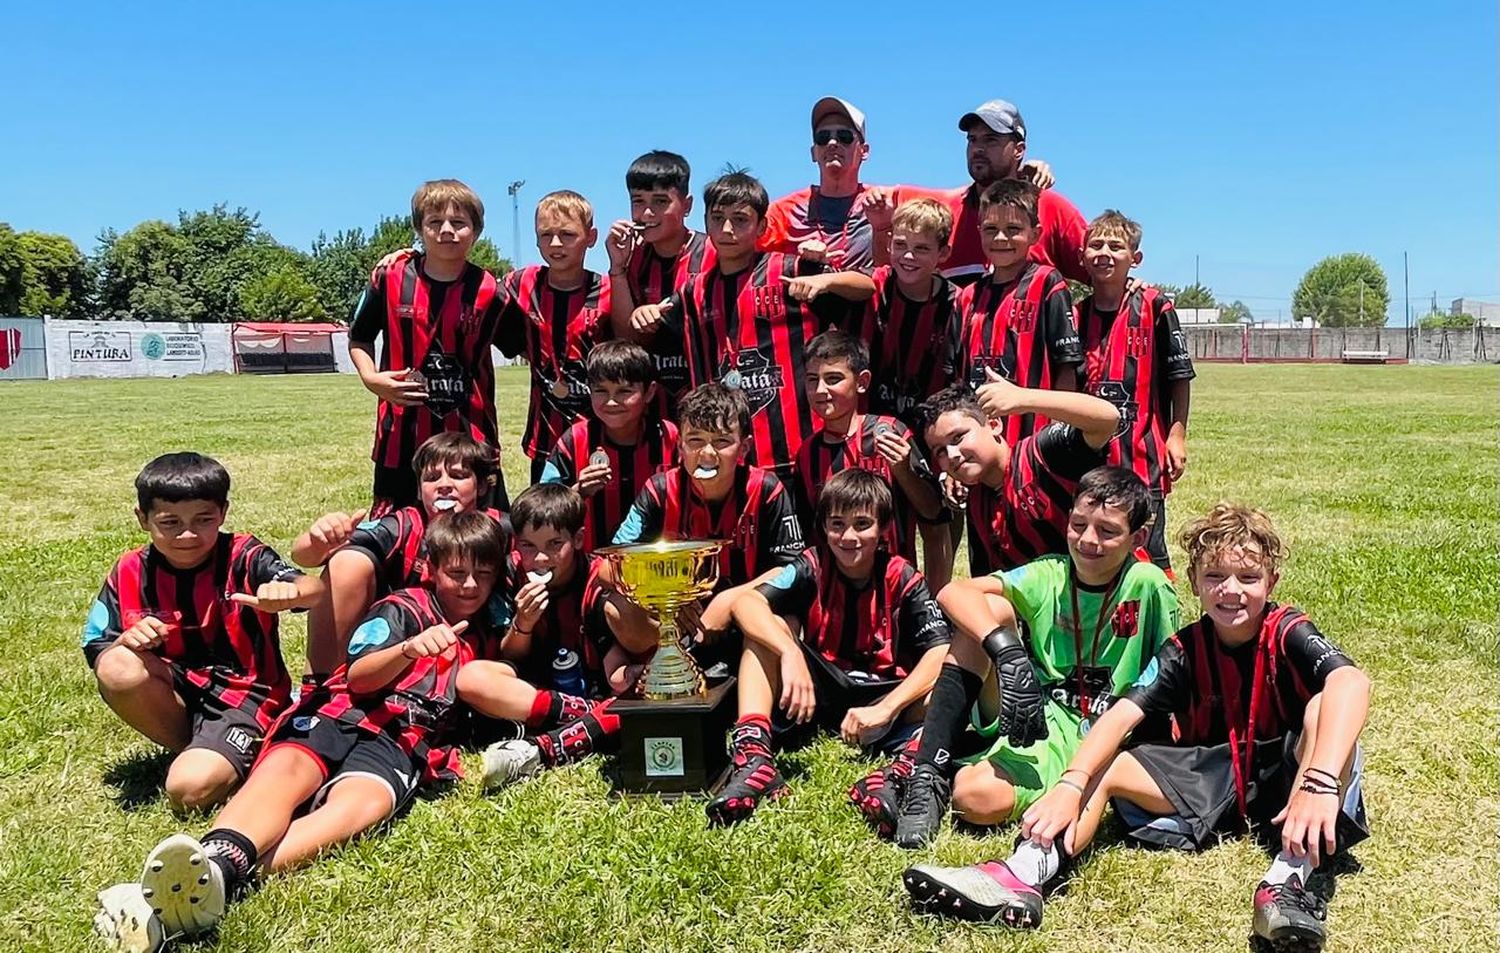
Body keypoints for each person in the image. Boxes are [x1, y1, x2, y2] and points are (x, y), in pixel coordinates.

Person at [903, 504, 1371, 953]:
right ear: (1193, 583)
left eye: (1248, 578)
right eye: (1214, 577)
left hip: (1296, 778)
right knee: (1111, 765)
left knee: (1323, 708)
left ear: (1273, 581)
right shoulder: (1185, 649)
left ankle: (1284, 887)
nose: (1231, 591)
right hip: (1218, 773)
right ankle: (1024, 873)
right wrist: (1071, 782)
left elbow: (1351, 681)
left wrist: (1318, 782)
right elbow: (1122, 715)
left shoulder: (1288, 630)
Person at [92, 512, 508, 952]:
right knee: (286, 773)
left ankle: (214, 877)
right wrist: (407, 650)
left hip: (400, 739)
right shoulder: (403, 607)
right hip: (336, 710)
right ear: (431, 568)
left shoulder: (489, 627)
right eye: (457, 573)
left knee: (361, 805)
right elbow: (360, 677)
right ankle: (211, 867)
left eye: (483, 575)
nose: (469, 586)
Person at [891, 466, 1178, 851]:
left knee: (976, 796)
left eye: (1108, 531)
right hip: (1035, 715)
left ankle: (969, 767)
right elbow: (952, 592)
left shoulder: (1147, 583)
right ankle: (929, 774)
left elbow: (1173, 667)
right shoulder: (1051, 573)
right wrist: (1007, 651)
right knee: (988, 609)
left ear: (1138, 537)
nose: (1088, 540)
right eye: (1079, 525)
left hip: (1110, 728)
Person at [706, 469, 951, 826]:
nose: (848, 536)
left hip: (883, 697)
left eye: (862, 524)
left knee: (945, 690)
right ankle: (755, 756)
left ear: (883, 529)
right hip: (823, 691)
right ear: (823, 527)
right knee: (766, 630)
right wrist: (790, 652)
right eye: (837, 524)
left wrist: (886, 708)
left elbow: (939, 651)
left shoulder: (903, 577)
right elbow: (745, 604)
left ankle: (895, 777)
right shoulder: (812, 563)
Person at [81, 452, 322, 814]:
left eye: (203, 519)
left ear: (223, 513)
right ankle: (199, 747)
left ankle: (234, 746)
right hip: (177, 686)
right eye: (170, 522)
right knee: (116, 665)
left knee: (188, 792)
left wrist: (290, 592)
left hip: (245, 695)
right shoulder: (129, 570)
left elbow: (313, 590)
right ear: (142, 519)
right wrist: (126, 640)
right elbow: (96, 643)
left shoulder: (243, 555)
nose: (188, 534)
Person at [628, 170, 875, 477]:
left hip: (799, 455)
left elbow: (866, 286)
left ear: (761, 226)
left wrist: (826, 280)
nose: (727, 229)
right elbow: (653, 327)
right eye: (717, 218)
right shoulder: (693, 292)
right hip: (729, 460)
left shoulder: (790, 270)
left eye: (740, 219)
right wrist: (644, 314)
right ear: (705, 221)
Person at [457, 484, 655, 787]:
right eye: (528, 546)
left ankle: (545, 747)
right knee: (471, 678)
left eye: (554, 544)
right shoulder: (510, 574)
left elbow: (624, 660)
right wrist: (523, 623)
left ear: (577, 539)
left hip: (601, 685)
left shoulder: (598, 578)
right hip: (540, 692)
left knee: (637, 685)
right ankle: (597, 719)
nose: (540, 558)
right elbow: (510, 656)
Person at [347, 179, 506, 516]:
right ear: (419, 228)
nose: (446, 231)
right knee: (397, 533)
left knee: (483, 537)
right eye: (435, 223)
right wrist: (371, 378)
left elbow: (525, 343)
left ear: (476, 231)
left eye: (459, 223)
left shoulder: (492, 290)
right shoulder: (389, 277)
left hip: (472, 437)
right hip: (400, 438)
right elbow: (359, 336)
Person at [292, 432, 506, 677]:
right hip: (398, 641)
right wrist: (319, 540)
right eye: (432, 478)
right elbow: (303, 557)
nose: (444, 485)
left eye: (458, 476)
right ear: (419, 490)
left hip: (483, 650)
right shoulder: (403, 526)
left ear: (480, 486)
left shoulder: (499, 529)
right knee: (346, 562)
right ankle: (323, 683)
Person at [1074, 210, 1196, 571]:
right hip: (1092, 459)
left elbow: (1179, 376)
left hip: (1144, 456)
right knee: (1097, 545)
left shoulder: (1156, 307)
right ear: (1082, 256)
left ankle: (1158, 618)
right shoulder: (1074, 315)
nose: (1104, 253)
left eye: (1116, 246)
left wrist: (1177, 435)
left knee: (1148, 549)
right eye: (1095, 245)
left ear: (1135, 258)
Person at [792, 329, 951, 587]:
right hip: (835, 594)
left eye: (833, 379)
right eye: (812, 379)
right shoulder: (807, 454)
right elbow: (810, 538)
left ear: (862, 381)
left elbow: (935, 514)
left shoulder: (892, 432)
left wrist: (903, 470)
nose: (820, 390)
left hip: (896, 586)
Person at [918, 379, 1118, 578]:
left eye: (958, 437)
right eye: (940, 451)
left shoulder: (1042, 453)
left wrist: (1024, 397)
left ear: (994, 424)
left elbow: (1108, 418)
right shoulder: (977, 502)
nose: (952, 454)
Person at [878, 99, 1087, 285]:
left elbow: (1106, 273)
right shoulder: (944, 211)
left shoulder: (1051, 208)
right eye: (972, 140)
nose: (978, 148)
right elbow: (873, 197)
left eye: (991, 140)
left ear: (1019, 150)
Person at [948, 179, 1083, 448]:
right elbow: (955, 377)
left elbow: (1066, 366)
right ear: (979, 232)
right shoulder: (967, 297)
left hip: (1034, 439)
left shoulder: (1048, 283)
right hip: (978, 443)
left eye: (1013, 229)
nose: (1000, 238)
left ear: (1035, 234)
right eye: (991, 229)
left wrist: (1058, 434)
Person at [496, 189, 613, 482]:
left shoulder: (610, 291)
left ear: (591, 237)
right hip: (545, 436)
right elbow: (472, 285)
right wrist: (412, 257)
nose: (556, 243)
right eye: (546, 235)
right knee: (546, 519)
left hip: (602, 431)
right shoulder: (521, 282)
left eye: (567, 234)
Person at [540, 340, 679, 554]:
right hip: (589, 563)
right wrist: (578, 492)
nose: (611, 402)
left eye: (624, 391)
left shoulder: (669, 437)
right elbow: (541, 510)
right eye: (601, 391)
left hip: (658, 560)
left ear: (650, 392)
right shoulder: (574, 441)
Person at [605, 150, 716, 415]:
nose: (646, 213)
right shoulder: (635, 259)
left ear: (687, 206)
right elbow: (626, 338)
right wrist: (617, 268)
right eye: (638, 201)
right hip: (654, 405)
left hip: (708, 396)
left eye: (660, 201)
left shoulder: (713, 251)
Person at [853, 197, 963, 435]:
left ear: (943, 253)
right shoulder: (872, 286)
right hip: (871, 429)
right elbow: (848, 281)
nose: (909, 256)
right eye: (901, 245)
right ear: (890, 244)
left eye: (922, 248)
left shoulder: (959, 304)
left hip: (933, 435)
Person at [759, 96, 882, 271]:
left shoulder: (882, 203)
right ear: (813, 153)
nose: (832, 143)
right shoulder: (785, 211)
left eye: (844, 136)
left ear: (864, 151)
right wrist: (794, 261)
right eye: (823, 137)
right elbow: (739, 251)